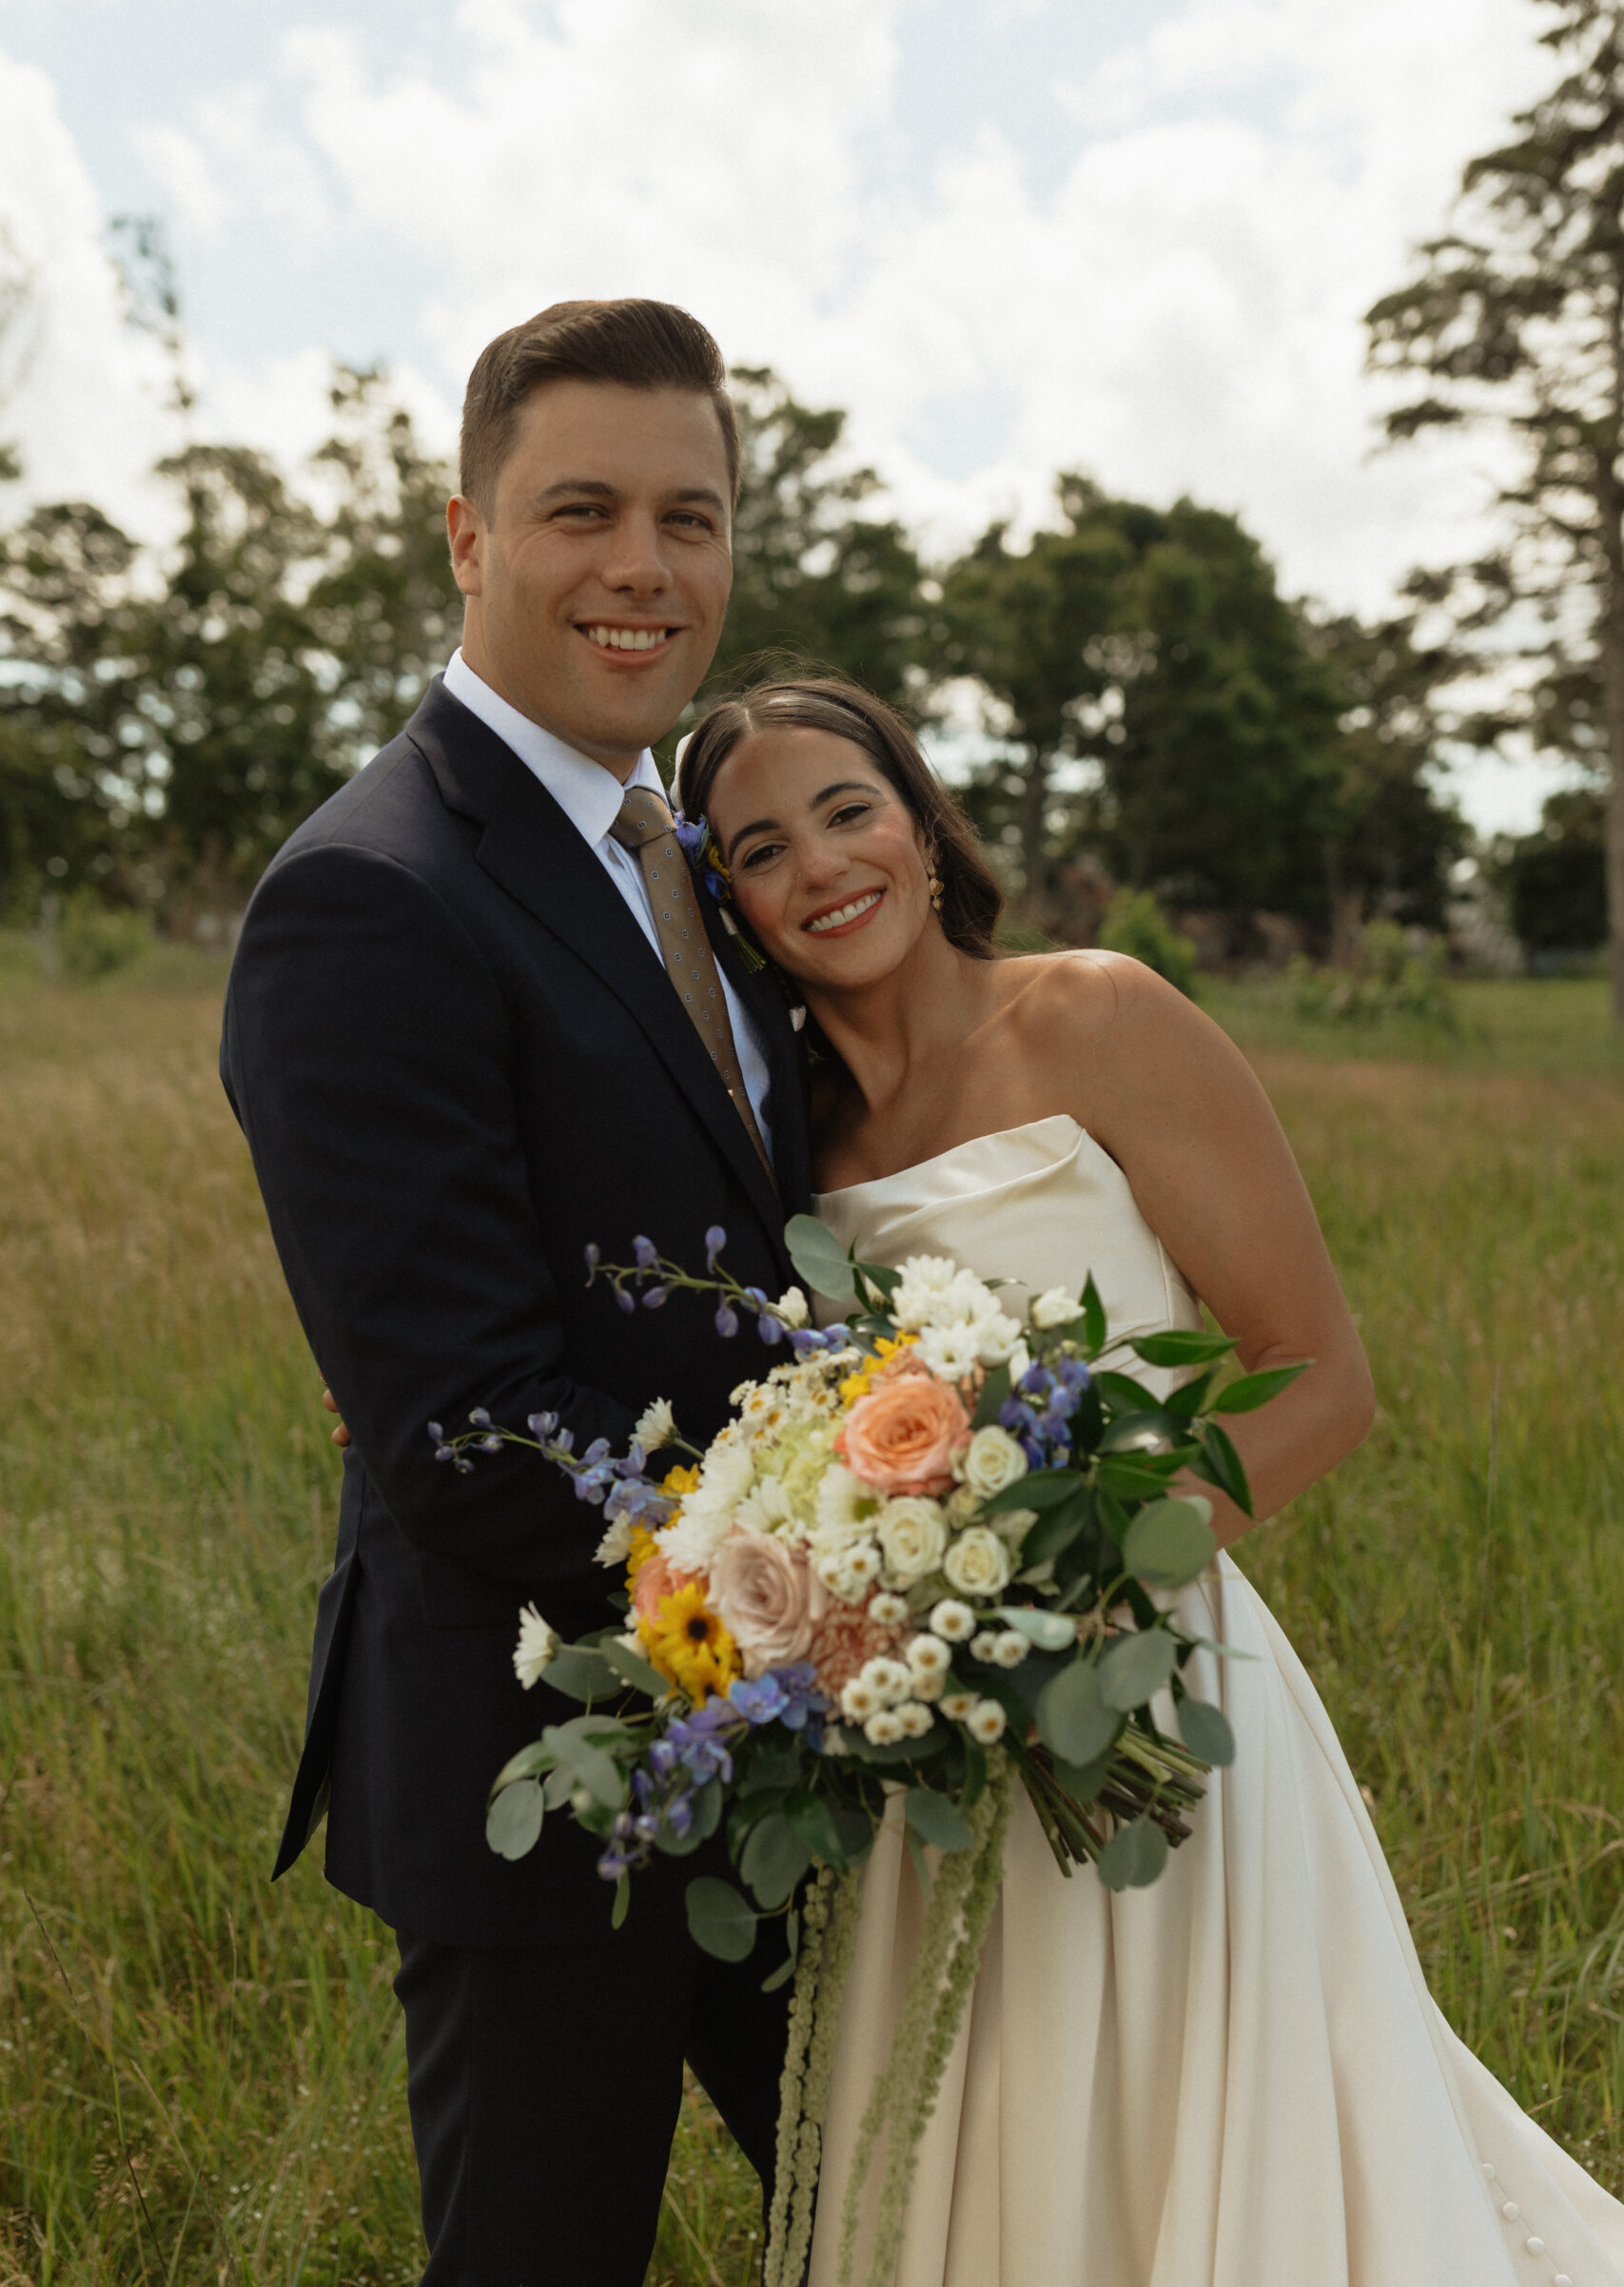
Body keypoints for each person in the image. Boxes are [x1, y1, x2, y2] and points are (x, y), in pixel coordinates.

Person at [675, 676, 1624, 2287]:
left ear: (919, 816)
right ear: (728, 902)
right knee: (996, 2154)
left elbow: (1322, 1376)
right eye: (763, 847)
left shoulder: (1094, 1014)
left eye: (849, 809)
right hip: (937, 1742)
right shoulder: (789, 1132)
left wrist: (1082, 1596)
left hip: (1153, 1686)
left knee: (1225, 2134)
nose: (824, 866)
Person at [222, 300, 813, 2287]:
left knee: (915, 2212)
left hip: (799, 1742)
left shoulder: (705, 854)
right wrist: (841, 1594)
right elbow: (469, 1431)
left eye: (690, 515)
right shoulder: (371, 895)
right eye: (581, 509)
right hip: (538, 1771)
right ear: (467, 538)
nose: (644, 566)